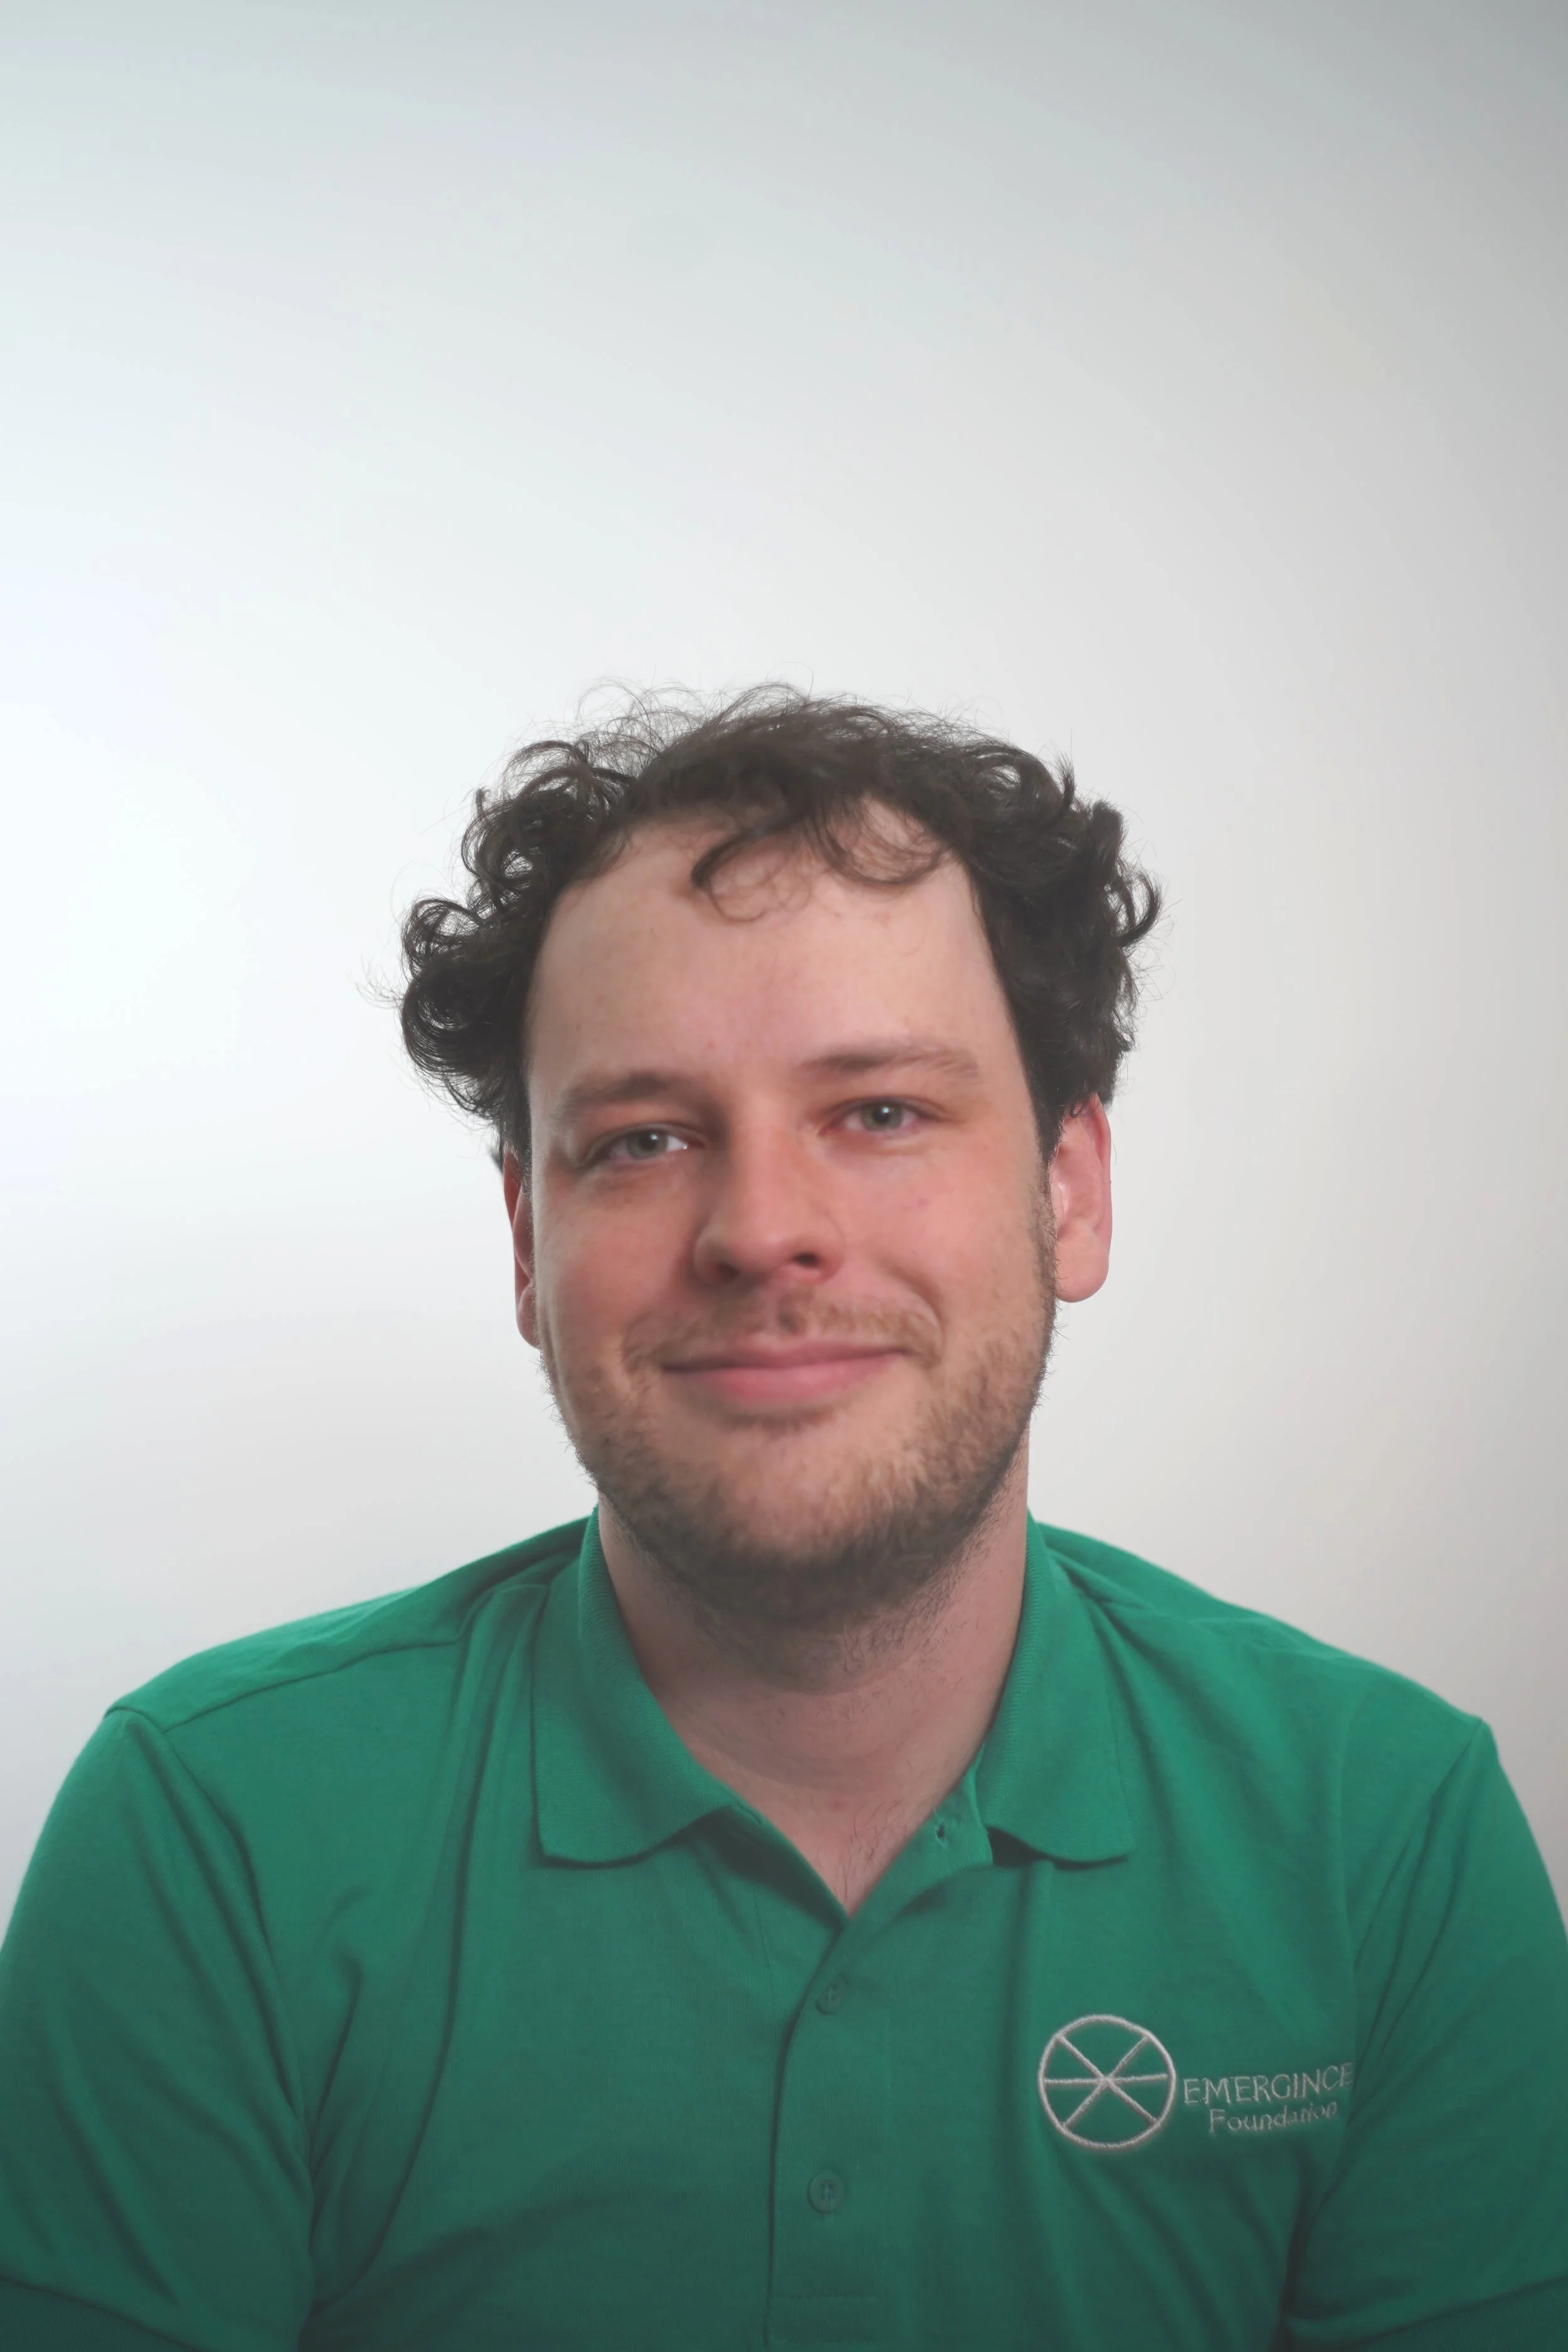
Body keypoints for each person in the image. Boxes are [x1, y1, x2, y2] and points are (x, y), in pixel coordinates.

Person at [1, 688, 1564, 2352]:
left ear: (1069, 1189)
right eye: (647, 1137)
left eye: (879, 1110)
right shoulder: (209, 1839)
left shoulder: (1381, 1835)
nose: (761, 1231)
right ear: (526, 1245)